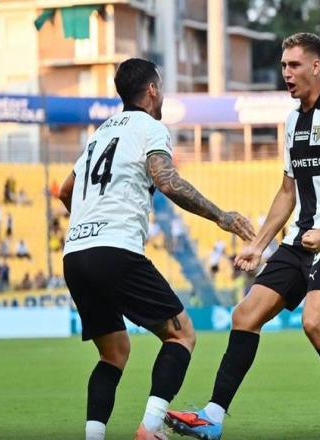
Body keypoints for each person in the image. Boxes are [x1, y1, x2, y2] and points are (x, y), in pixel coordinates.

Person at [165, 32, 320, 440]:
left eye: (294, 65)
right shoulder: (292, 121)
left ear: (316, 66)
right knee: (245, 315)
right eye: (283, 66)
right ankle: (212, 417)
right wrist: (258, 245)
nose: (286, 73)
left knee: (314, 322)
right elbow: (287, 192)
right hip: (299, 241)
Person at [58, 58, 255, 440]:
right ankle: (149, 429)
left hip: (76, 253)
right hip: (115, 250)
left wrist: (87, 223)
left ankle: (94, 436)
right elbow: (166, 181)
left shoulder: (100, 134)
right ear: (152, 90)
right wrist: (221, 216)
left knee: (113, 353)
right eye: (160, 88)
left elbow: (66, 190)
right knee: (182, 335)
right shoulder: (150, 128)